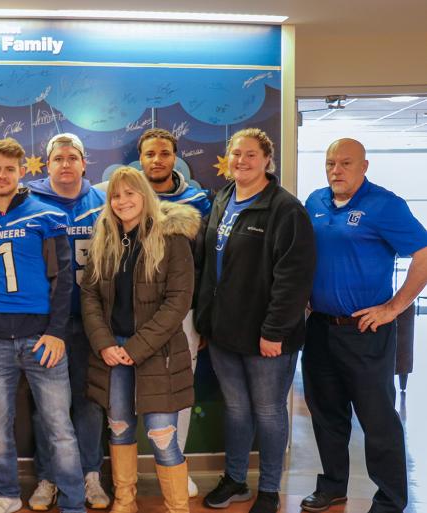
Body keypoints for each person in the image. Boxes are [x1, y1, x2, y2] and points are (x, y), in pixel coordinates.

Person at [301, 138, 427, 513]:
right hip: (320, 327)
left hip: (365, 331)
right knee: (325, 413)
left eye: (345, 163)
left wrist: (394, 307)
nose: (336, 170)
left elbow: (423, 254)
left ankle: (390, 498)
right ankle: (332, 486)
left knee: (377, 418)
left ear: (364, 166)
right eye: (330, 163)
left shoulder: (385, 205)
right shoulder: (315, 202)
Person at [194, 128, 316, 513]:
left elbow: (293, 278)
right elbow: (210, 269)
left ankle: (267, 489)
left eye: (250, 154)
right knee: (236, 410)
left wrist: (274, 331)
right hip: (223, 332)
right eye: (235, 154)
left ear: (267, 159)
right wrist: (205, 323)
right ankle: (234, 480)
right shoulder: (223, 199)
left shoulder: (286, 209)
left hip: (267, 336)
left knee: (268, 411)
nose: (241, 161)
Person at [81, 166, 198, 513]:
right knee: (118, 429)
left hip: (157, 353)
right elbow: (89, 294)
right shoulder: (105, 236)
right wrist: (105, 344)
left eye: (130, 193)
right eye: (116, 196)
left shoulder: (171, 237)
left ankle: (177, 508)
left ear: (144, 195)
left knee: (163, 436)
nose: (122, 201)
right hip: (113, 352)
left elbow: (179, 301)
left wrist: (135, 348)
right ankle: (125, 501)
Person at [0, 137, 85, 513]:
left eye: (10, 169)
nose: (3, 175)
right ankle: (5, 494)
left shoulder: (47, 214)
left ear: (23, 172)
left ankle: (73, 502)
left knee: (59, 427)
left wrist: (56, 332)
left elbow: (64, 279)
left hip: (41, 336)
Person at [26, 133, 110, 511]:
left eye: (72, 158)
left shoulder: (103, 202)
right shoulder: (30, 201)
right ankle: (49, 477)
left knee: (90, 402)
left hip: (93, 321)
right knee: (47, 407)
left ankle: (90, 474)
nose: (65, 164)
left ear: (83, 163)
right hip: (47, 323)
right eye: (57, 158)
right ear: (47, 165)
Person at [137, 127, 210, 497]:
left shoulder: (198, 199)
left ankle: (176, 465)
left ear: (175, 157)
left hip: (184, 309)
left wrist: (206, 315)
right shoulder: (126, 196)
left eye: (164, 153)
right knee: (126, 393)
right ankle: (124, 475)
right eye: (150, 154)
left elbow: (210, 259)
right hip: (135, 312)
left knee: (179, 390)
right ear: (140, 159)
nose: (157, 160)